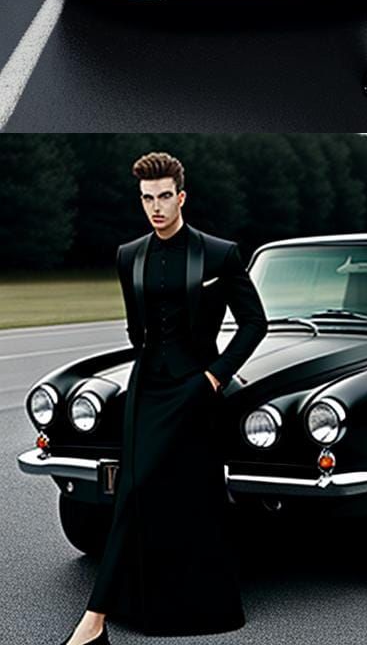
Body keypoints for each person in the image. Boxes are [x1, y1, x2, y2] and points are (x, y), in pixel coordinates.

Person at [57, 151, 268, 645]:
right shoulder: (128, 254)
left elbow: (256, 323)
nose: (155, 206)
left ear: (181, 197)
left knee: (192, 497)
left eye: (164, 196)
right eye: (147, 198)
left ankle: (175, 612)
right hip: (146, 388)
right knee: (134, 491)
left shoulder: (219, 254)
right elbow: (137, 328)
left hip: (196, 388)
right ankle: (103, 619)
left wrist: (213, 377)